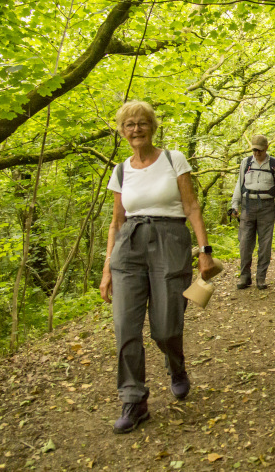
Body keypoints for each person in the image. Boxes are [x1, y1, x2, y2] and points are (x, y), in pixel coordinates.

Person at [100, 101, 214, 434]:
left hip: (170, 240)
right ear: (122, 131)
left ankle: (176, 366)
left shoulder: (172, 159)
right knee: (125, 327)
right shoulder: (121, 170)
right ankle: (134, 400)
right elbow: (116, 221)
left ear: (152, 126)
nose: (136, 129)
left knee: (165, 327)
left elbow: (191, 205)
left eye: (142, 123)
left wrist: (204, 251)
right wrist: (107, 268)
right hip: (128, 247)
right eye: (129, 125)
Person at [229, 135, 275, 290]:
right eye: (254, 150)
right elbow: (239, 185)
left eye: (259, 150)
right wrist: (235, 205)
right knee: (245, 243)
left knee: (265, 245)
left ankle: (261, 277)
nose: (257, 153)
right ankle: (245, 276)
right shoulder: (246, 163)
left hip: (267, 207)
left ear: (266, 148)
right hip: (248, 206)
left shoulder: (274, 164)